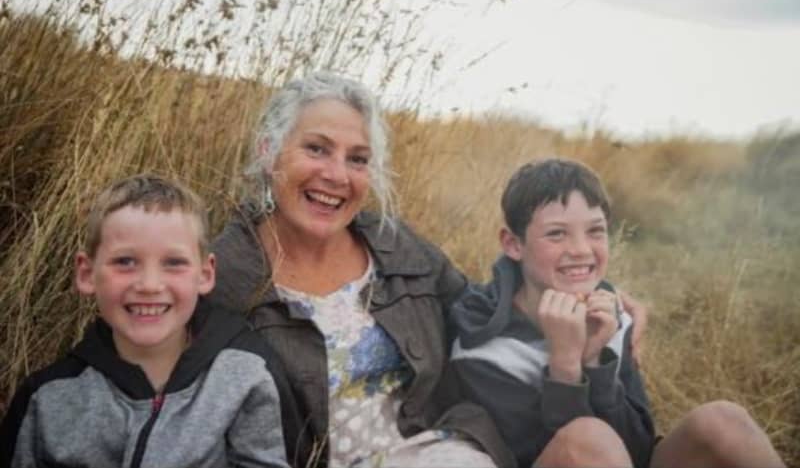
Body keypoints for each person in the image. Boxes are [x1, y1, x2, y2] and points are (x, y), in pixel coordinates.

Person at [207, 72, 648, 468]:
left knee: (592, 446)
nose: (337, 175)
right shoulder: (225, 277)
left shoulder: (394, 247)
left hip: (447, 452)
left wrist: (595, 297)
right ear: (269, 151)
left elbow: (481, 307)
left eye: (357, 159)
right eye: (317, 149)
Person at [450, 158, 786, 468]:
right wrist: (565, 366)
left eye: (595, 231)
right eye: (556, 234)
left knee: (725, 420)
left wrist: (595, 361)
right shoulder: (485, 349)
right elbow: (540, 456)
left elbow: (637, 448)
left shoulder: (611, 317)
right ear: (513, 244)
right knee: (588, 437)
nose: (581, 249)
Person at [0, 174, 296, 468]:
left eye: (174, 263)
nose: (150, 285)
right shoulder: (47, 398)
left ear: (205, 274)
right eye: (125, 262)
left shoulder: (246, 377)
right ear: (87, 274)